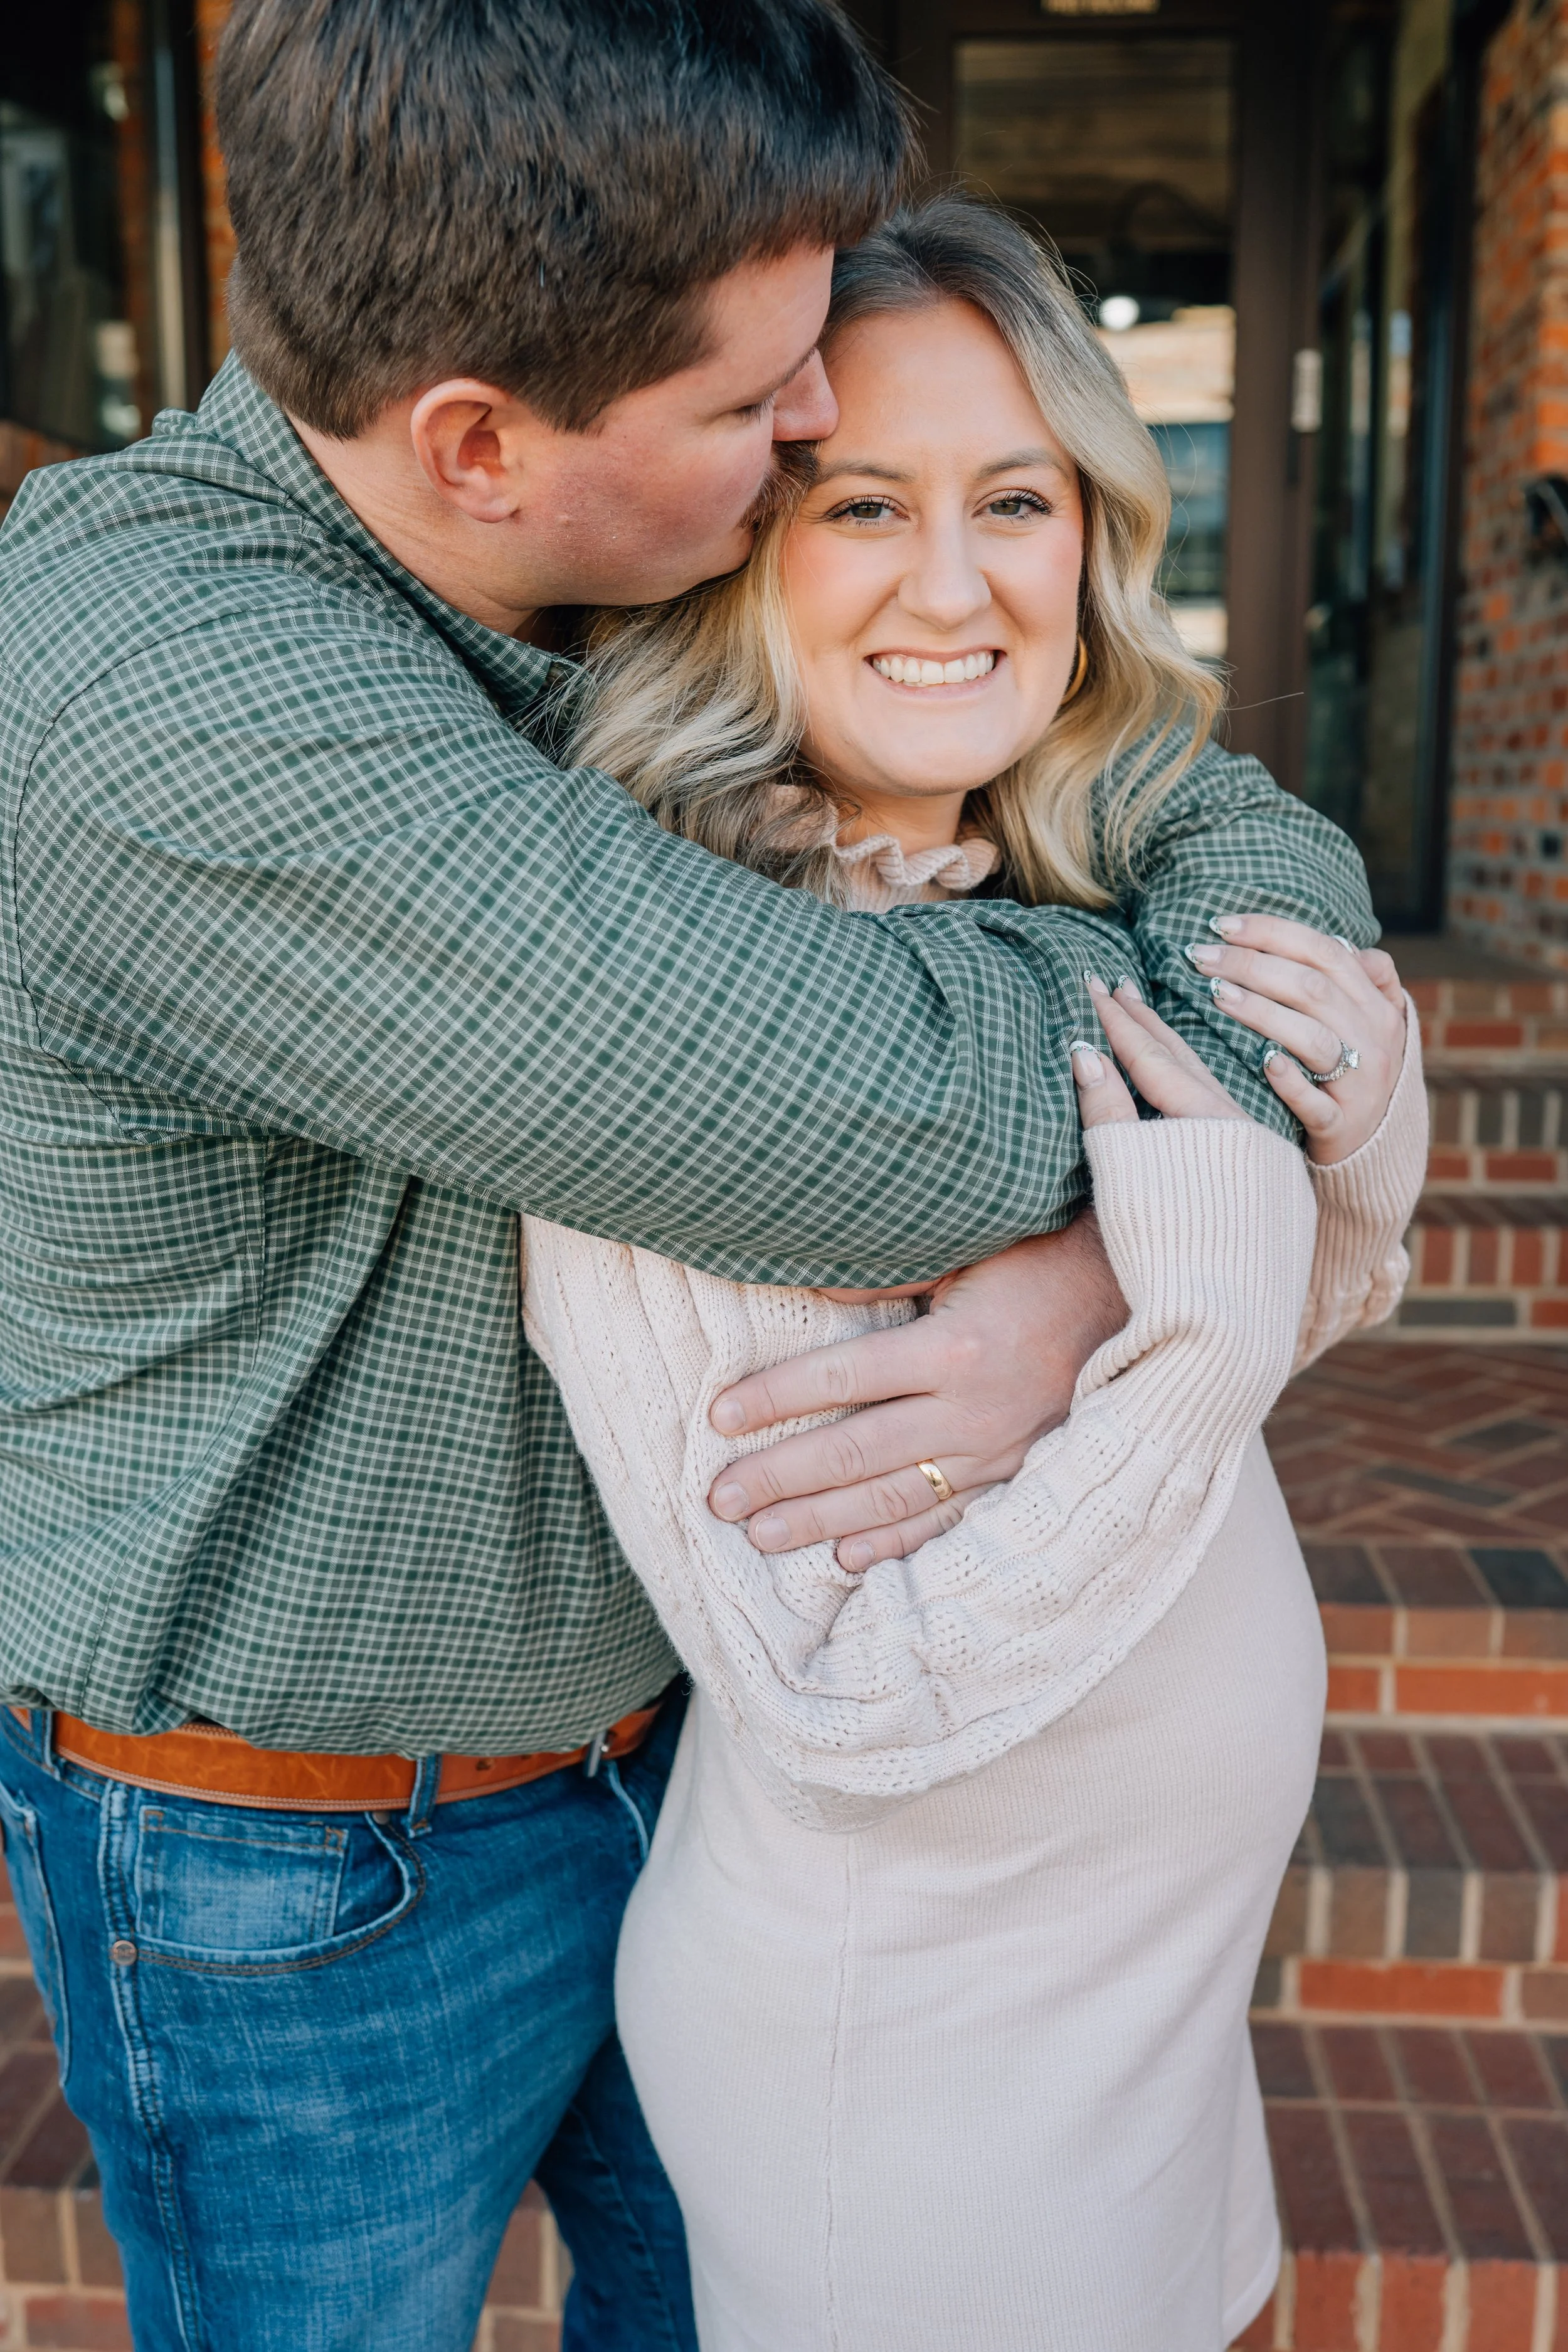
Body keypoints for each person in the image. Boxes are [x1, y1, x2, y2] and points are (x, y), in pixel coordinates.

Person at [0, 9, 1380, 2349]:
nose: (818, 431)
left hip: (684, 1746)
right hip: (315, 1849)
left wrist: (1206, 1039)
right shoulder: (161, 682)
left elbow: (1159, 775)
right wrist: (1150, 1259)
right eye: (770, 411)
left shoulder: (598, 541)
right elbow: (859, 1109)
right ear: (482, 437)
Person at [520, 203, 1429, 2351]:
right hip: (909, 2082)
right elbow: (847, 1694)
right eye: (861, 507)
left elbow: (1259, 1312)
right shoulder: (680, 1000)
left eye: (1013, 497)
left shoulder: (1056, 882)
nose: (956, 584)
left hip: (1148, 2021)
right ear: (740, 543)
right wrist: (1185, 1307)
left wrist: (1342, 1165)